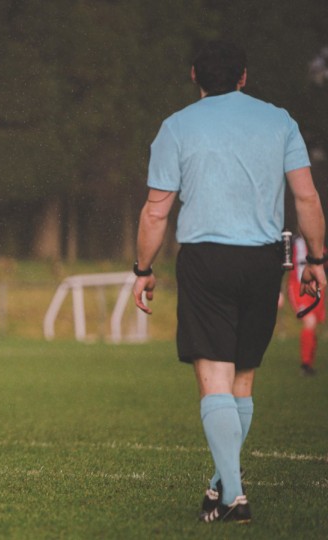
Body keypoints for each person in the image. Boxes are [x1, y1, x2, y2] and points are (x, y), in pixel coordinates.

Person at [132, 41, 326, 524]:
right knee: (241, 378)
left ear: (195, 75)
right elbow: (307, 198)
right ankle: (221, 485)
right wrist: (317, 259)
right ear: (243, 77)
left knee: (214, 378)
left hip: (205, 259)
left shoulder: (176, 126)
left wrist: (143, 268)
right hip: (265, 261)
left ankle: (235, 494)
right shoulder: (279, 119)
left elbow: (157, 209)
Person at [286, 234, 323, 376]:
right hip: (298, 287)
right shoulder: (294, 241)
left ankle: (309, 363)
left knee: (313, 325)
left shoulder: (318, 241)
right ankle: (305, 364)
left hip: (315, 287)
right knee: (310, 321)